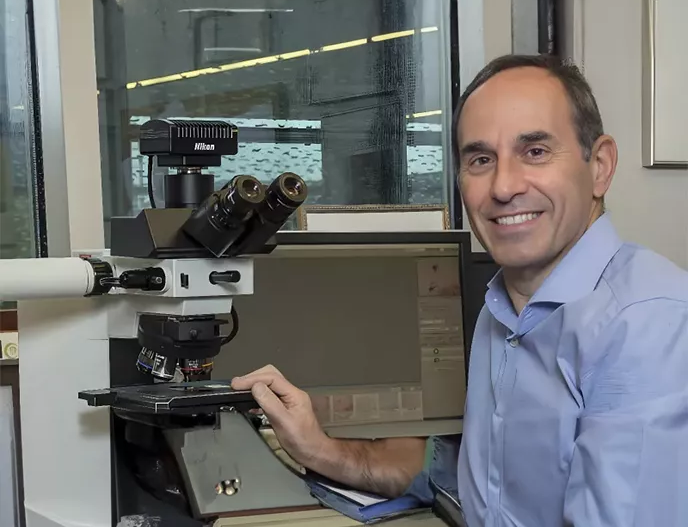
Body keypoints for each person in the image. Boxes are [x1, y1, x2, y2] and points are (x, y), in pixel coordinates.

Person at [232, 54, 688, 526]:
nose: (504, 186)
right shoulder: (503, 310)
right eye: (481, 159)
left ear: (600, 167)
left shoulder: (646, 325)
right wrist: (320, 448)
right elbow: (474, 482)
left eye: (535, 151)